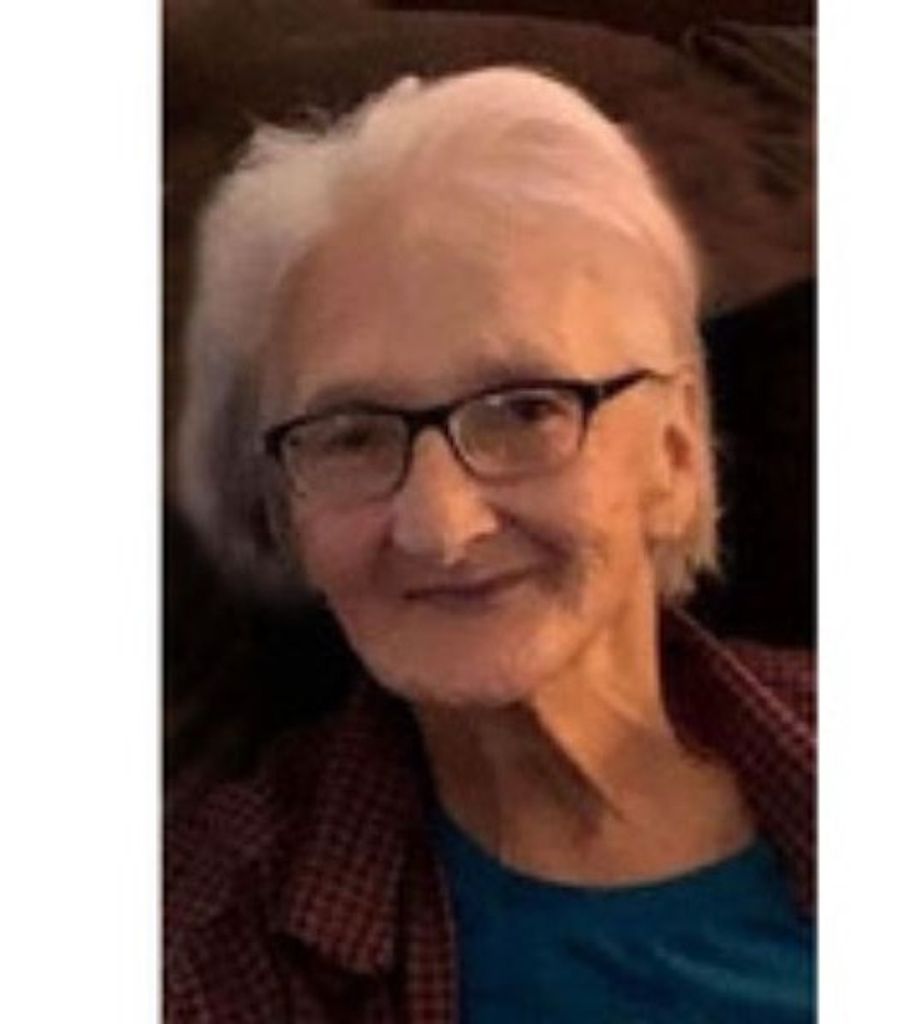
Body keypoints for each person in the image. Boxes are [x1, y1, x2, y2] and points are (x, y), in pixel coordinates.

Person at [166, 66, 814, 1022]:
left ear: (674, 454)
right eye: (350, 435)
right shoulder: (206, 941)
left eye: (524, 410)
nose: (440, 526)